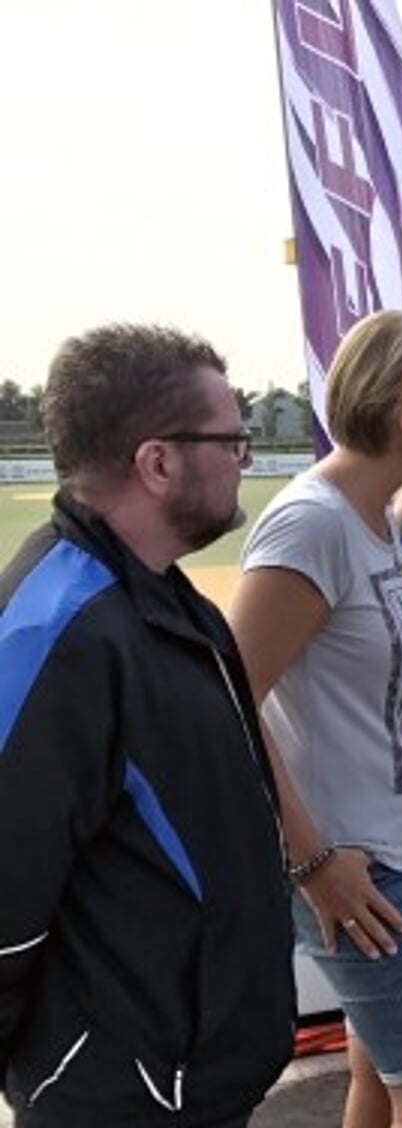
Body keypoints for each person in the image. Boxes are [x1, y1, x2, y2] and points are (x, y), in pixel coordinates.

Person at [0, 325, 293, 1125]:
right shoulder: (55, 632)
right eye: (232, 439)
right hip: (118, 1095)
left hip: (194, 1076)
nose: (247, 458)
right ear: (158, 462)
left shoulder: (163, 598)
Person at [228, 310, 402, 1128]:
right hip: (356, 865)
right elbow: (228, 703)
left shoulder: (374, 515)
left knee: (386, 1077)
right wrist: (313, 863)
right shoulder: (311, 525)